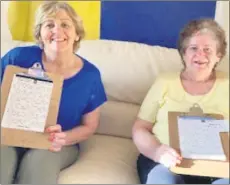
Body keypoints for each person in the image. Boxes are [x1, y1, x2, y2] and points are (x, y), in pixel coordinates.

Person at [1, 1, 107, 184]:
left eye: (65, 25)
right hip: (9, 135)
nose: (57, 31)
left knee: (37, 165)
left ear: (76, 34)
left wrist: (64, 138)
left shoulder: (90, 76)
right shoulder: (17, 58)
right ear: (40, 34)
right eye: (49, 25)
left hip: (54, 144)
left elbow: (90, 126)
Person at [132, 18, 229, 184]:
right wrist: (157, 151)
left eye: (208, 49)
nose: (200, 54)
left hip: (216, 167)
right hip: (164, 163)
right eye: (193, 48)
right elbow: (140, 128)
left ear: (218, 56)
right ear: (184, 53)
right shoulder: (164, 82)